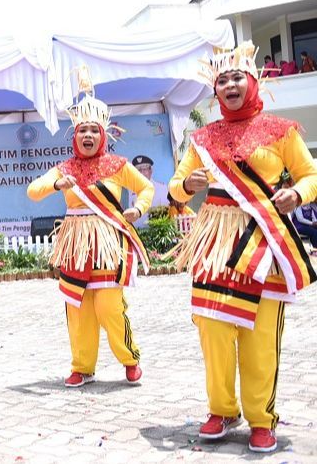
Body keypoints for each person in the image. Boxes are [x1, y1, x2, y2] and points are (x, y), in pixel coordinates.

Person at [169, 41, 317, 453]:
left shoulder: (282, 130)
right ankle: (222, 408)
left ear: (253, 82)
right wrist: (186, 185)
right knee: (214, 329)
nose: (230, 84)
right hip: (215, 239)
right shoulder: (202, 138)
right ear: (215, 90)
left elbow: (310, 174)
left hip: (263, 240)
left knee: (260, 335)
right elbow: (175, 186)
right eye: (222, 80)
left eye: (237, 77)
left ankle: (260, 417)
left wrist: (299, 194)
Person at [27, 66, 152, 388]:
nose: (87, 136)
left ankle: (129, 358)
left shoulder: (118, 166)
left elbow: (146, 188)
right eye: (82, 131)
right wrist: (57, 185)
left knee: (110, 307)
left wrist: (137, 208)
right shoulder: (63, 168)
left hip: (108, 241)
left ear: (103, 135)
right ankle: (82, 367)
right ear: (75, 136)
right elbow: (33, 190)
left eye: (93, 131)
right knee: (77, 308)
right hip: (75, 243)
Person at [128, 155, 170, 227]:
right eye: (138, 170)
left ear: (151, 171)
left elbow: (166, 213)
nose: (141, 173)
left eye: (144, 169)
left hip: (155, 232)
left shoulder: (161, 188)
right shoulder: (129, 190)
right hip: (134, 233)